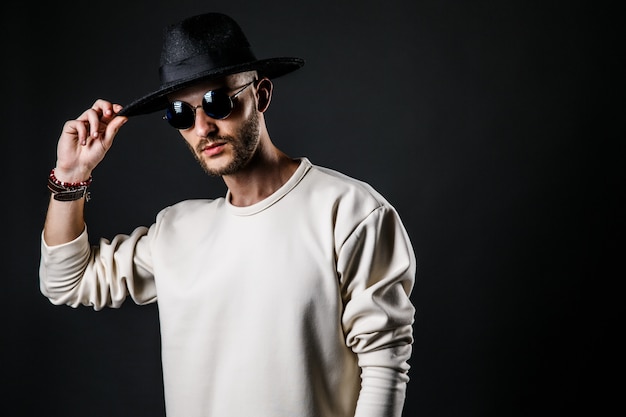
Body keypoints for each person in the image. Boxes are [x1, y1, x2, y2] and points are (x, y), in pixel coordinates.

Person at [39, 12, 416, 417]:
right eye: (181, 114)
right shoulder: (176, 231)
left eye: (217, 102)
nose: (203, 127)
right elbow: (66, 282)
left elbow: (383, 365)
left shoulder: (350, 212)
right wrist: (71, 176)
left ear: (262, 95)